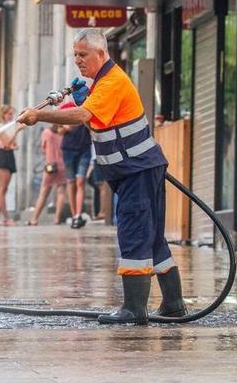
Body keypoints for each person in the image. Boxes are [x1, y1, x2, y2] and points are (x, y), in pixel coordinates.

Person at [17, 28, 187, 325]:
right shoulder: (102, 85)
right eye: (75, 56)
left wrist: (39, 115)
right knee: (152, 238)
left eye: (83, 55)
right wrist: (81, 100)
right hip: (139, 169)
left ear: (101, 53)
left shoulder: (112, 82)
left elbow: (83, 117)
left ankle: (134, 308)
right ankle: (173, 304)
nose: (78, 61)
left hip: (137, 171)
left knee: (134, 235)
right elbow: (95, 118)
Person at [59, 101, 93, 229]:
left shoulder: (88, 107)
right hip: (68, 149)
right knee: (71, 182)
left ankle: (78, 215)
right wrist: (65, 125)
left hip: (84, 148)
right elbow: (59, 129)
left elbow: (93, 127)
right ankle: (74, 216)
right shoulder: (67, 106)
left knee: (80, 181)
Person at [27, 124, 67, 225]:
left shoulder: (47, 132)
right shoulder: (63, 133)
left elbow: (43, 149)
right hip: (62, 165)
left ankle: (34, 219)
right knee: (61, 192)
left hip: (50, 165)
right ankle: (57, 219)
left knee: (44, 192)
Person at [0, 105, 24, 226]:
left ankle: (4, 217)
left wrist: (11, 142)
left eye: (12, 114)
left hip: (9, 155)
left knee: (4, 189)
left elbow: (14, 145)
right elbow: (7, 143)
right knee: (1, 189)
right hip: (3, 156)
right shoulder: (0, 127)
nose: (11, 116)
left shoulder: (9, 127)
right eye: (9, 114)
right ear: (3, 114)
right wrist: (17, 131)